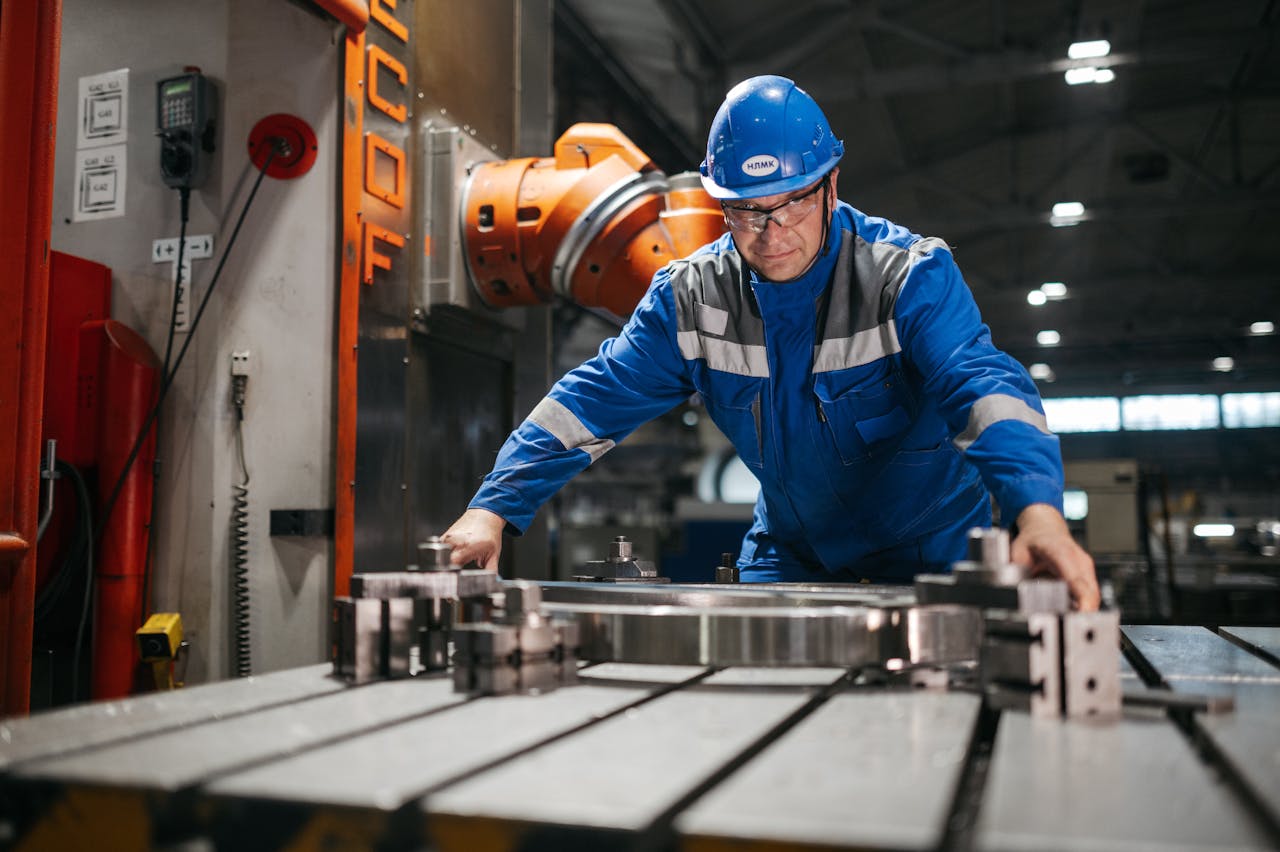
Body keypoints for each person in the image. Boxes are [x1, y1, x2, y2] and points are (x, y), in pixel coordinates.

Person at [444, 75, 1100, 610]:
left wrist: (1037, 513)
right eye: (748, 210)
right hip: (791, 556)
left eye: (793, 203)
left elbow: (984, 389)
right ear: (720, 205)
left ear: (832, 185)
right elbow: (590, 403)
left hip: (933, 562)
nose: (773, 230)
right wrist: (492, 509)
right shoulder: (690, 300)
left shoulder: (907, 276)